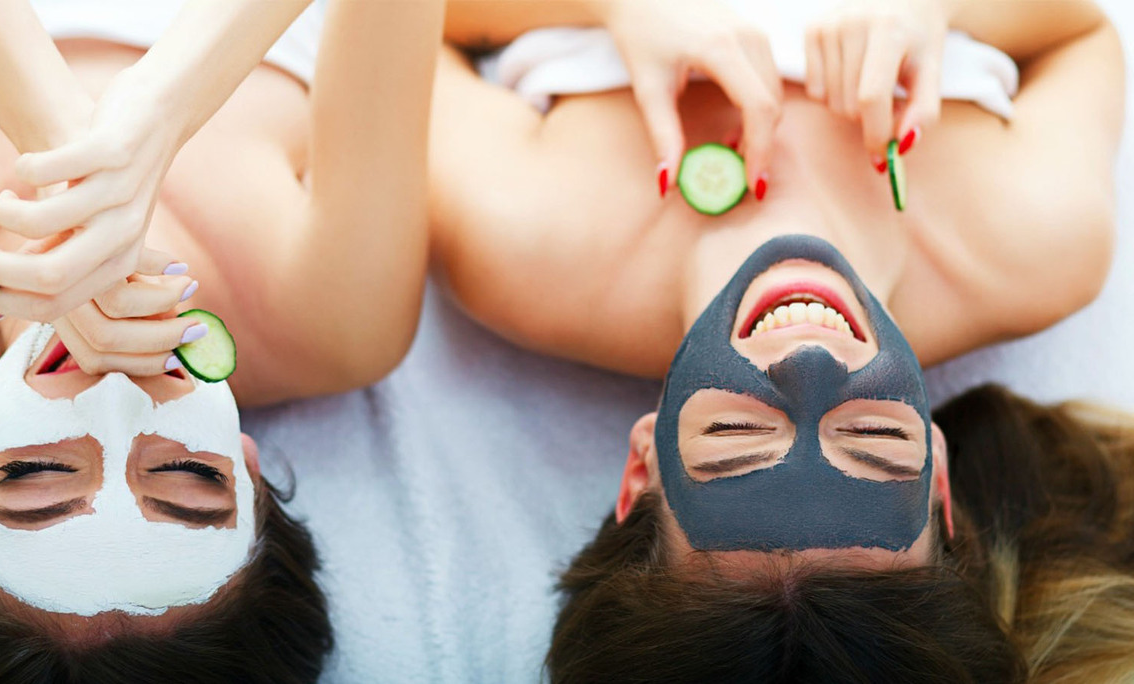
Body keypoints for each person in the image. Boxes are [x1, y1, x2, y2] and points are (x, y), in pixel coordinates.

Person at [429, 0, 1131, 679]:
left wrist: (617, 9)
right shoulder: (1034, 242)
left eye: (735, 433)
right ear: (939, 476)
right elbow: (1079, 34)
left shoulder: (525, 241)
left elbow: (410, 27)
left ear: (642, 471)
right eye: (874, 438)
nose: (810, 362)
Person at [0, 0, 445, 681]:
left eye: (35, 472)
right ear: (250, 474)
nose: (114, 402)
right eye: (188, 475)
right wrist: (164, 105)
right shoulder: (340, 321)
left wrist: (66, 145)